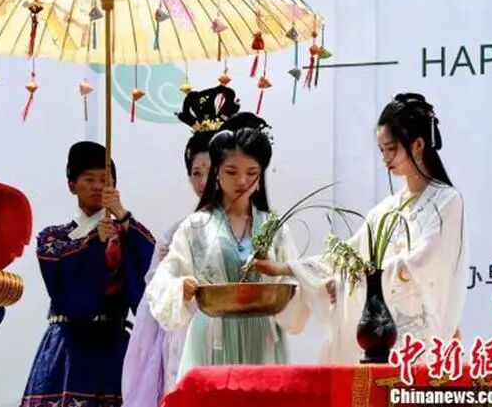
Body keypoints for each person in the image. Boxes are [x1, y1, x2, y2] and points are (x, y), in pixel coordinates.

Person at [255, 93, 468, 363]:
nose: (385, 158)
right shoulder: (385, 210)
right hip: (382, 336)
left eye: (391, 149)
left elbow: (422, 262)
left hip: (421, 336)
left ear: (417, 145)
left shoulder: (446, 200)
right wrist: (285, 269)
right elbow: (347, 255)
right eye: (382, 150)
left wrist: (358, 281)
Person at [146, 112, 303, 379]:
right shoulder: (195, 226)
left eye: (251, 173)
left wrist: (309, 288)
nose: (241, 181)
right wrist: (180, 287)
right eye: (231, 171)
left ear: (260, 176)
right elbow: (165, 276)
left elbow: (295, 281)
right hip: (211, 337)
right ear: (216, 173)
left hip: (262, 337)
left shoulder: (274, 229)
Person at [122, 85, 240, 406]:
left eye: (210, 171)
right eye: (195, 173)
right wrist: (171, 280)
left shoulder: (247, 225)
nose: (202, 182)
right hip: (185, 336)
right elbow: (153, 291)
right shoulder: (176, 231)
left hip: (234, 334)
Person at [21, 141, 155, 407]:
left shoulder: (126, 233)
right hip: (68, 347)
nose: (97, 186)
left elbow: (154, 265)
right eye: (89, 179)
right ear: (72, 185)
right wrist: (95, 241)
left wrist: (122, 215)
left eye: (105, 180)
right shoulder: (54, 237)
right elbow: (60, 281)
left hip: (114, 345)